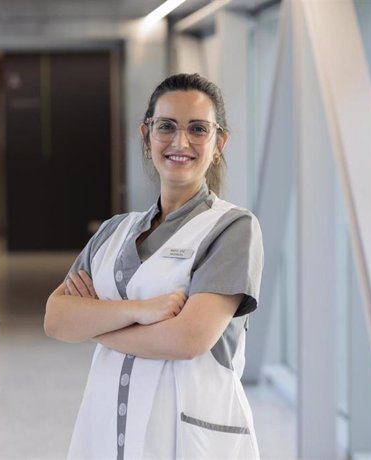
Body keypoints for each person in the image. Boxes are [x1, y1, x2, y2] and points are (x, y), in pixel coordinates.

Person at [45, 73, 263, 459]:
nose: (181, 142)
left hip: (186, 438)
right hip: (106, 428)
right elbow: (58, 319)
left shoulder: (232, 228)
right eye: (166, 127)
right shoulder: (115, 231)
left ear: (219, 143)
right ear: (146, 136)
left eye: (198, 129)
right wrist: (141, 312)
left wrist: (97, 327)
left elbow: (187, 340)